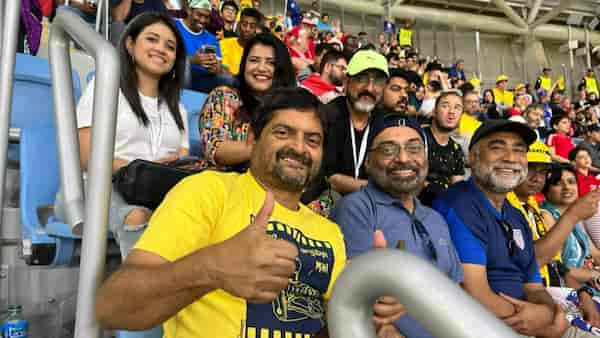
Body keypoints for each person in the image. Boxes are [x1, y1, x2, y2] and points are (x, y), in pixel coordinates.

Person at [95, 87, 404, 337]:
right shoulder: (208, 191)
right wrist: (211, 268)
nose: (299, 147)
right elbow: (112, 307)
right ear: (253, 140)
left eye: (313, 140)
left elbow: (326, 328)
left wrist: (366, 314)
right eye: (283, 133)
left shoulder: (329, 232)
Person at [433, 119, 594, 338]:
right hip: (489, 326)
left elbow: (534, 286)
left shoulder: (516, 215)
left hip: (534, 321)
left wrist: (546, 313)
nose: (510, 158)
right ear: (473, 157)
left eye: (519, 150)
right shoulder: (459, 204)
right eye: (497, 147)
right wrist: (540, 319)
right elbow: (473, 294)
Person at [56, 12, 189, 258]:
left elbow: (181, 157)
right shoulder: (104, 87)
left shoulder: (177, 108)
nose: (161, 49)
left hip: (153, 193)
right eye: (152, 39)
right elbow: (84, 155)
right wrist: (140, 170)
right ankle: (142, 292)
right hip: (95, 188)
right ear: (130, 44)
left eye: (170, 46)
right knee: (136, 214)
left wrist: (157, 173)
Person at [330, 113, 463, 338]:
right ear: (368, 163)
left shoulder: (435, 219)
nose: (403, 158)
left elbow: (455, 294)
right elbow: (354, 302)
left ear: (426, 159)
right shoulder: (356, 209)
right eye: (388, 150)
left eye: (413, 149)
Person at [507, 144, 600, 330]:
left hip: (561, 294)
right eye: (529, 169)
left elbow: (558, 267)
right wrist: (573, 215)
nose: (536, 177)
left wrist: (583, 294)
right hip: (534, 300)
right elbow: (532, 262)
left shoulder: (534, 208)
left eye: (542, 171)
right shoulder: (506, 207)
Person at [197, 33, 295, 172]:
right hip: (223, 183)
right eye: (254, 60)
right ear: (244, 64)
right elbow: (214, 148)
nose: (261, 68)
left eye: (271, 62)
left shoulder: (292, 109)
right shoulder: (224, 96)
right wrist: (264, 148)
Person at [541, 165, 600, 287]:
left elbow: (596, 254)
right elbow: (555, 267)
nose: (567, 187)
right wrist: (593, 274)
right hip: (567, 290)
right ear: (546, 189)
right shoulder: (545, 215)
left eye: (571, 182)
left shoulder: (575, 216)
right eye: (557, 183)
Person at [176, 0, 233, 93]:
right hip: (177, 76)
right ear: (189, 10)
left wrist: (215, 68)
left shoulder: (211, 38)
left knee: (229, 79)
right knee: (184, 68)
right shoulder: (173, 25)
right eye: (199, 15)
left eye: (206, 17)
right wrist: (192, 60)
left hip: (202, 78)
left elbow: (218, 65)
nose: (202, 20)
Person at [419, 91, 465, 206]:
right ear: (434, 111)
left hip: (442, 207)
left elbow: (457, 186)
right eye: (445, 106)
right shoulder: (418, 137)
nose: (451, 112)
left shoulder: (456, 148)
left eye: (457, 108)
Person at [220, 7, 262, 76]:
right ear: (239, 24)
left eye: (252, 26)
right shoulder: (223, 44)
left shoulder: (259, 51)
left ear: (256, 29)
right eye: (244, 24)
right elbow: (221, 70)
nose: (247, 29)